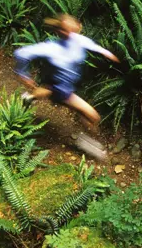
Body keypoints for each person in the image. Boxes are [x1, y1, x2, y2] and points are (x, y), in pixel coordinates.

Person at [13, 14, 119, 159]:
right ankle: (85, 142)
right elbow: (21, 53)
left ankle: (29, 97)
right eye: (67, 31)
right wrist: (22, 74)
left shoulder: (78, 39)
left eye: (73, 30)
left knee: (48, 88)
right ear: (60, 32)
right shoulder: (51, 47)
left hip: (58, 84)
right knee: (93, 116)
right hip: (62, 91)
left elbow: (94, 47)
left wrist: (108, 54)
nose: (71, 33)